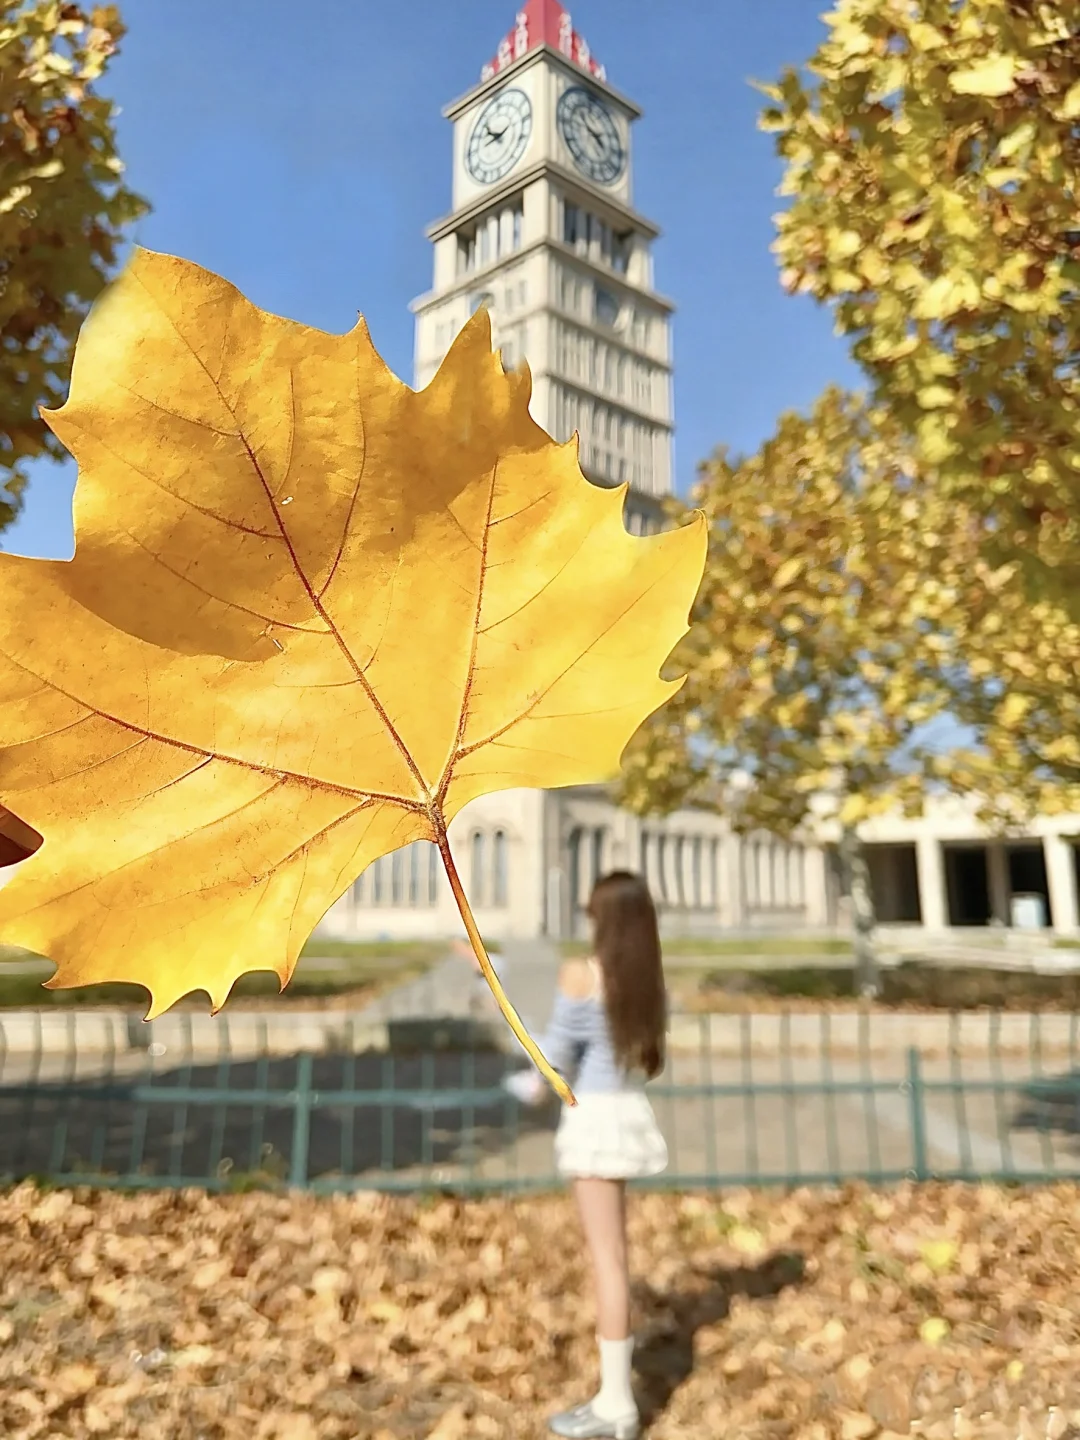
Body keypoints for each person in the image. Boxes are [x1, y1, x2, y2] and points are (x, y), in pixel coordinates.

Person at [505, 870, 668, 1440]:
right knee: (615, 1256)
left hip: (594, 1117)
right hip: (626, 1109)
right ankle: (614, 1398)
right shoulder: (644, 978)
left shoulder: (581, 974)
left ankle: (616, 1403)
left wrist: (522, 1069)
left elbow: (554, 1057)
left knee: (608, 1262)